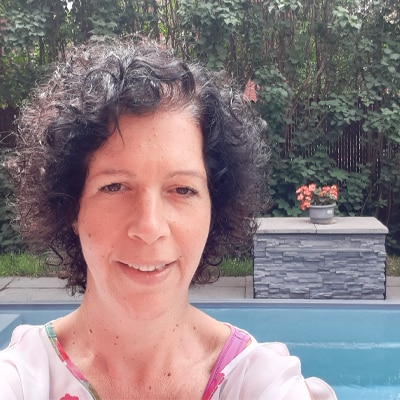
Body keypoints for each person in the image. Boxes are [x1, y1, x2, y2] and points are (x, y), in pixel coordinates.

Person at [0, 37, 337, 400]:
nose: (149, 227)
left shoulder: (256, 382)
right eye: (114, 186)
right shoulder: (23, 378)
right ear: (71, 206)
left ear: (215, 206)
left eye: (182, 190)